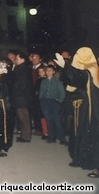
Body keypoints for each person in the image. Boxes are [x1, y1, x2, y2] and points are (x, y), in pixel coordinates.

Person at [55, 47, 99, 178]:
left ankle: (95, 166)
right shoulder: (84, 71)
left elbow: (77, 77)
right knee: (77, 132)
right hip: (79, 108)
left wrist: (66, 66)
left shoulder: (92, 69)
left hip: (90, 109)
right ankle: (79, 159)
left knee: (90, 134)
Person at [39, 64, 66, 145]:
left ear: (53, 72)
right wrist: (42, 100)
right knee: (49, 120)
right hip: (46, 102)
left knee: (57, 120)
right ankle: (52, 137)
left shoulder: (58, 82)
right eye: (47, 70)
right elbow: (41, 92)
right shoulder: (44, 81)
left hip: (54, 102)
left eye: (50, 70)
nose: (48, 72)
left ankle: (62, 138)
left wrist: (59, 101)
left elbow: (62, 93)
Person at [10, 53, 33, 143]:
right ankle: (24, 135)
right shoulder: (21, 68)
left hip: (22, 97)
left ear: (23, 60)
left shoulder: (23, 69)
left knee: (24, 118)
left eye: (17, 58)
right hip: (20, 97)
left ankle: (26, 137)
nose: (16, 60)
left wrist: (15, 93)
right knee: (22, 117)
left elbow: (22, 84)